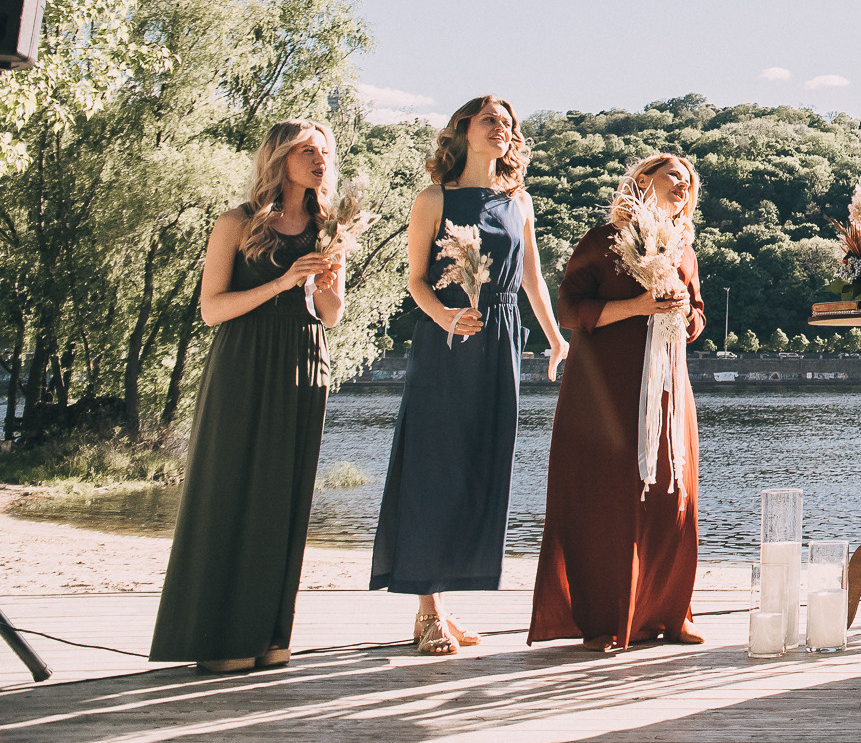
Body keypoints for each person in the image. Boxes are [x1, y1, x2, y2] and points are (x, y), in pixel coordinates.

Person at [368, 95, 571, 655]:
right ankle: (427, 608)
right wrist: (445, 315)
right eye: (490, 120)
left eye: (508, 124)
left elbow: (532, 281)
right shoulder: (434, 197)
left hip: (503, 340)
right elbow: (414, 280)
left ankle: (443, 599)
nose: (502, 129)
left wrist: (555, 339)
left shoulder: (519, 201)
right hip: (446, 340)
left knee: (481, 462)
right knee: (436, 462)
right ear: (462, 130)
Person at [149, 121, 349, 673]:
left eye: (325, 152)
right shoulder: (237, 223)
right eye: (308, 150)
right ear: (280, 158)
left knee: (284, 501)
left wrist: (322, 287)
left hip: (306, 363)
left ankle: (270, 636)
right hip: (243, 362)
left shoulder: (328, 228)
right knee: (229, 489)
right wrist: (283, 283)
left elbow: (331, 317)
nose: (320, 159)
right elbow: (212, 309)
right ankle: (221, 638)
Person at [530, 153, 708, 652]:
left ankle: (671, 614)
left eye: (689, 180)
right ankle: (609, 620)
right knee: (609, 499)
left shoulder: (683, 248)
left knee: (674, 498)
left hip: (669, 390)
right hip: (605, 392)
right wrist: (640, 305)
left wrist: (682, 313)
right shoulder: (604, 242)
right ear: (642, 179)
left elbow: (697, 318)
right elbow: (569, 309)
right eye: (673, 173)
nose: (683, 183)